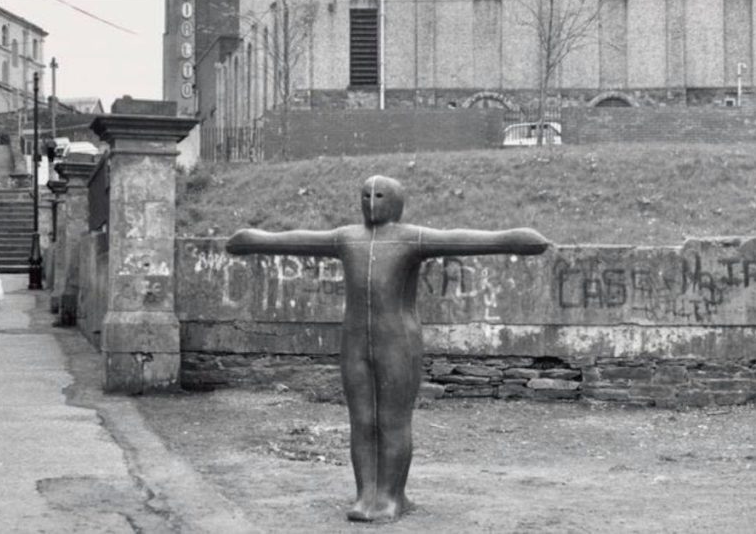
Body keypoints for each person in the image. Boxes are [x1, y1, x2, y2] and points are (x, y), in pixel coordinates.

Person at [227, 176, 552, 522]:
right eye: (365, 195)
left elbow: (466, 238)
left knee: (392, 421)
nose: (370, 202)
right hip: (354, 343)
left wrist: (516, 240)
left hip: (398, 342)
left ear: (395, 202)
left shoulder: (410, 237)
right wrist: (251, 240)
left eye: (379, 195)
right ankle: (365, 494)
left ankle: (391, 496)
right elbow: (295, 240)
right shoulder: (347, 237)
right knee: (362, 420)